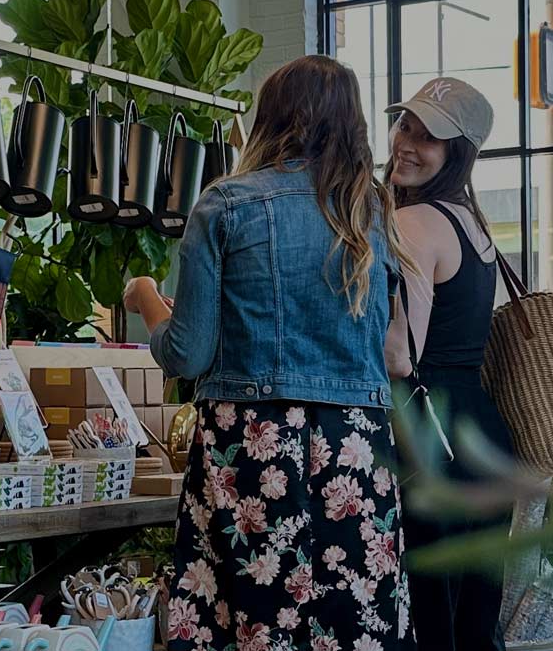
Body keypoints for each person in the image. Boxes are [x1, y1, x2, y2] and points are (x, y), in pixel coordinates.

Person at [123, 55, 416, 651]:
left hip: (252, 441)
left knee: (250, 614)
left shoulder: (226, 205)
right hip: (353, 443)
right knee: (354, 619)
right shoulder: (372, 213)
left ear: (271, 117)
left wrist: (148, 300)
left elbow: (186, 353)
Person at [382, 76, 513, 651]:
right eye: (404, 124)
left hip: (431, 437)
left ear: (458, 152)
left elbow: (399, 353)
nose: (405, 143)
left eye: (428, 136)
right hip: (481, 435)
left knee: (431, 619)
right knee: (474, 621)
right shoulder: (472, 223)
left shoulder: (415, 223)